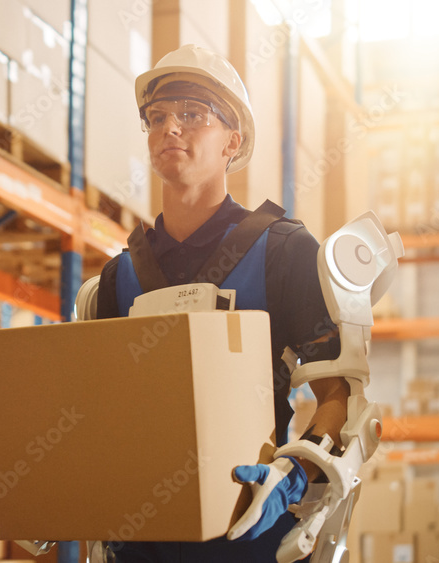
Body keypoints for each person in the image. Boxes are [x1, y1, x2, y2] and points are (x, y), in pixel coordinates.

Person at [92, 44, 350, 562]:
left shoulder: (283, 252)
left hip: (247, 531)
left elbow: (339, 396)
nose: (170, 128)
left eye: (192, 114)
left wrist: (293, 475)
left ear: (233, 140)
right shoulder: (120, 278)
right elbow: (100, 416)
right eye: (157, 117)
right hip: (140, 540)